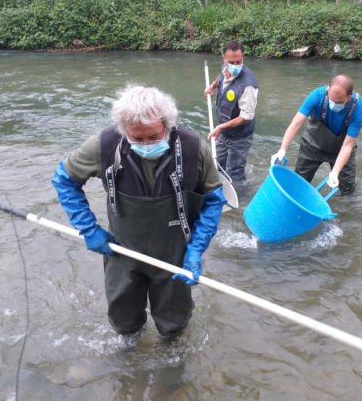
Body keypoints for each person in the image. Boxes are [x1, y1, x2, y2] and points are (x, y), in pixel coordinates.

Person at [52, 85, 226, 337]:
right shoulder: (104, 145)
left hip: (174, 253)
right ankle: (130, 362)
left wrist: (197, 248)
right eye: (137, 138)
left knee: (174, 324)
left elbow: (213, 200)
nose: (146, 144)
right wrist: (89, 228)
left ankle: (172, 359)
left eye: (154, 137)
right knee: (124, 323)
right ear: (123, 130)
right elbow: (65, 180)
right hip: (122, 250)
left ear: (167, 126)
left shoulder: (193, 149)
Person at [271, 75, 362, 194]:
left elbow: (348, 145)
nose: (334, 105)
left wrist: (335, 173)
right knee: (299, 183)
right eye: (332, 100)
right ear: (328, 90)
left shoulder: (359, 107)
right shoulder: (317, 96)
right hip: (312, 145)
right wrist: (282, 149)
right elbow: (295, 124)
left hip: (341, 150)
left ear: (350, 95)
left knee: (347, 189)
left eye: (339, 102)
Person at [204, 40, 259, 182]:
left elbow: (246, 117)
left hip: (240, 136)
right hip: (224, 132)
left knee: (234, 172)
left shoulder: (248, 85)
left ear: (243, 57)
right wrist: (212, 86)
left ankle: (240, 200)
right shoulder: (225, 67)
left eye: (238, 62)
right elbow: (221, 76)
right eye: (231, 62)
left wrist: (220, 127)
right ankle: (219, 191)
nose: (235, 66)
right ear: (224, 59)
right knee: (216, 165)